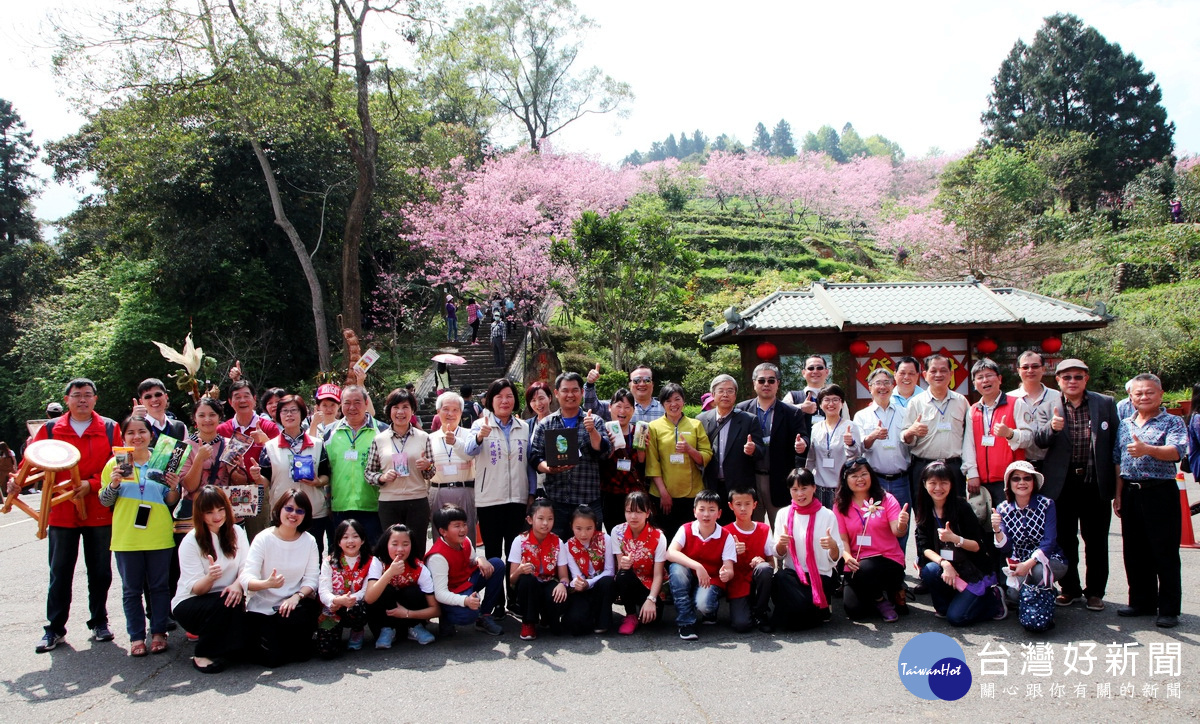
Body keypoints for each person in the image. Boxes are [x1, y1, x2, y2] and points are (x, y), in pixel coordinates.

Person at [20, 378, 122, 653]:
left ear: (95, 399)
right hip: (62, 510)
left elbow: (122, 468)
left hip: (98, 507)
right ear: (67, 400)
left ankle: (99, 621)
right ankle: (55, 629)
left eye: (88, 395)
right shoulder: (51, 429)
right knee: (60, 571)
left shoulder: (110, 428)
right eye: (76, 395)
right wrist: (16, 482)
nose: (82, 400)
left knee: (100, 570)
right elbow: (30, 462)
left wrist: (91, 483)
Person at [1034, 358, 1118, 611]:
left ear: (1086, 379)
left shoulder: (1104, 403)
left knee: (1096, 541)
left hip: (1094, 482)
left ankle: (1095, 592)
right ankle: (1069, 588)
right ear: (1058, 380)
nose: (1072, 382)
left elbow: (1115, 443)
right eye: (1067, 377)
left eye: (1078, 377)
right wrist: (1052, 428)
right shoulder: (1049, 404)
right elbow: (1038, 441)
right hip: (1062, 484)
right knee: (1066, 539)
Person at [99, 415, 181, 656]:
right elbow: (104, 501)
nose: (137, 437)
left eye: (142, 431)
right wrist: (113, 484)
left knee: (160, 586)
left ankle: (158, 633)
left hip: (159, 534)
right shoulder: (114, 463)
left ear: (150, 434)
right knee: (131, 589)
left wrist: (175, 487)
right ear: (123, 437)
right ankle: (136, 637)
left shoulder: (163, 460)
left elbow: (170, 502)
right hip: (127, 537)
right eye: (131, 433)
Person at [1113, 373, 1187, 628]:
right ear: (1131, 397)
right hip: (1131, 492)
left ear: (1160, 394)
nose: (1144, 397)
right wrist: (1119, 494)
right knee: (1134, 551)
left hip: (1160, 492)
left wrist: (1148, 449)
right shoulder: (1125, 423)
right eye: (1138, 393)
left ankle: (1168, 608)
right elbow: (1118, 460)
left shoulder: (1173, 422)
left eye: (1149, 392)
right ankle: (1141, 601)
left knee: (1164, 551)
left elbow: (1177, 452)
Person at [239, 489, 321, 667]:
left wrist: (296, 596)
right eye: (289, 508)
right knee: (273, 661)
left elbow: (312, 579)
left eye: (300, 511)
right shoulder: (263, 539)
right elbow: (246, 578)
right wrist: (266, 584)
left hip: (293, 607)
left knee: (302, 655)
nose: (293, 514)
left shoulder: (309, 541)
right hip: (263, 609)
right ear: (279, 509)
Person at [915, 461, 1003, 626]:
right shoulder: (925, 508)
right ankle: (952, 603)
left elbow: (977, 546)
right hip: (949, 568)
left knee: (957, 618)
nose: (938, 488)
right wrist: (944, 563)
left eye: (943, 483)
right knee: (930, 570)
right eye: (933, 483)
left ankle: (993, 600)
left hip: (971, 569)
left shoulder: (961, 507)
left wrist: (955, 539)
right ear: (924, 484)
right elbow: (924, 547)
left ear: (951, 484)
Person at [171, 485, 248, 673]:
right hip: (192, 602)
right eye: (210, 512)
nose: (217, 516)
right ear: (200, 514)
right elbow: (196, 589)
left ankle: (230, 649)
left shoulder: (237, 532)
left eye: (221, 510)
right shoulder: (191, 540)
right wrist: (210, 577)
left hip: (229, 595)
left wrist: (237, 585)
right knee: (226, 602)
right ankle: (202, 652)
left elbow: (247, 568)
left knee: (237, 600)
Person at [530, 372, 611, 538]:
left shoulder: (594, 421)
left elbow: (604, 452)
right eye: (565, 390)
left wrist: (592, 431)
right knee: (557, 551)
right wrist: (549, 468)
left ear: (582, 392)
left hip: (588, 500)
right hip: (556, 501)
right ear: (557, 393)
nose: (570, 395)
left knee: (592, 550)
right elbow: (534, 457)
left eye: (575, 390)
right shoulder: (547, 423)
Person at [990, 461, 1067, 631]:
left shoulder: (1046, 504)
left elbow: (1049, 542)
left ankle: (1042, 607)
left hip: (1051, 559)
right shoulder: (1003, 508)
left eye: (1027, 478)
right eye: (1016, 479)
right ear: (1009, 484)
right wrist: (996, 529)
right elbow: (1005, 547)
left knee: (1038, 571)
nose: (1022, 482)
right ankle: (1045, 595)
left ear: (1034, 482)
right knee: (1013, 594)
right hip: (1020, 561)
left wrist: (1028, 565)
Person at [466, 379, 535, 566]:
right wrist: (480, 436)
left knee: (515, 553)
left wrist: (531, 493)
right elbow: (469, 450)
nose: (504, 401)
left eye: (509, 396)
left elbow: (529, 463)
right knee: (493, 552)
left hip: (517, 500)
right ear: (490, 400)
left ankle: (513, 596)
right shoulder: (479, 425)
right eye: (499, 396)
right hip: (490, 500)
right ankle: (494, 595)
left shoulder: (524, 427)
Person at [253, 395, 331, 557]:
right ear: (278, 415)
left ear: (302, 414)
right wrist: (256, 477)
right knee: (282, 557)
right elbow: (265, 481)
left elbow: (326, 475)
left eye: (294, 410)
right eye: (284, 411)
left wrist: (317, 482)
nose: (289, 415)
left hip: (313, 512)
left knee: (313, 557)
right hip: (283, 512)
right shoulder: (270, 447)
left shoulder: (317, 444)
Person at [833, 458, 910, 622]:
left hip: (887, 559)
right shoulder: (840, 505)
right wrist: (847, 557)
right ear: (845, 480)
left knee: (866, 568)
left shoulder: (886, 499)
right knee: (854, 611)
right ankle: (885, 594)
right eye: (854, 476)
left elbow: (898, 531)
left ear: (871, 476)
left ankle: (881, 599)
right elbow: (842, 539)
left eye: (864, 474)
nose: (860, 479)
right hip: (856, 562)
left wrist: (902, 524)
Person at [735, 362, 810, 524]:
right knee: (752, 530)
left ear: (778, 383)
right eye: (761, 381)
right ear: (754, 383)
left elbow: (803, 436)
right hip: (751, 478)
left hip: (779, 479)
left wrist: (802, 444)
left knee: (782, 530)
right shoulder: (741, 410)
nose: (766, 384)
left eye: (771, 380)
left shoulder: (792, 412)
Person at [364, 388, 433, 560]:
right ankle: (393, 584)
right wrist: (381, 477)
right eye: (396, 407)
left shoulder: (424, 437)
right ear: (389, 410)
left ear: (412, 411)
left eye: (405, 407)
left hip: (417, 500)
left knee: (417, 548)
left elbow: (430, 473)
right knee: (391, 549)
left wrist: (427, 466)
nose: (400, 412)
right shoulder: (379, 439)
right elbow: (368, 472)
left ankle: (417, 584)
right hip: (389, 502)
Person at [852, 368, 912, 559]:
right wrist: (873, 436)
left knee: (901, 524)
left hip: (901, 479)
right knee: (873, 524)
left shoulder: (905, 412)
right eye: (878, 383)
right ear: (870, 388)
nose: (883, 387)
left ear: (893, 386)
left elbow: (913, 444)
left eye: (886, 382)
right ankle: (876, 565)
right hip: (874, 480)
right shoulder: (862, 416)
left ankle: (898, 567)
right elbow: (860, 448)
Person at [771, 469, 839, 630]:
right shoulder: (783, 514)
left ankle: (807, 610)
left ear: (814, 488)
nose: (800, 494)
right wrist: (781, 543)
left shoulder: (827, 515)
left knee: (796, 612)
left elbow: (835, 558)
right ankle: (809, 611)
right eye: (794, 489)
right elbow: (778, 553)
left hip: (820, 575)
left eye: (804, 488)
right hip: (794, 576)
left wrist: (833, 546)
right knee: (779, 578)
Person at [323, 385, 388, 547]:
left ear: (366, 403)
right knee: (342, 558)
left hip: (373, 506)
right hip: (340, 506)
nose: (352, 407)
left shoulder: (382, 431)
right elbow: (325, 470)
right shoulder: (329, 433)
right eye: (347, 402)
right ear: (341, 405)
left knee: (373, 556)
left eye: (357, 402)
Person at [645, 383, 712, 542]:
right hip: (663, 494)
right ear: (662, 404)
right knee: (665, 537)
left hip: (692, 492)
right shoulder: (654, 427)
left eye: (677, 399)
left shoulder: (695, 425)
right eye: (668, 401)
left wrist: (690, 450)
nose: (673, 404)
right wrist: (663, 493)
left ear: (683, 401)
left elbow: (707, 455)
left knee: (690, 538)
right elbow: (652, 462)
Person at [425, 504, 504, 637]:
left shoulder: (465, 540)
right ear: (443, 531)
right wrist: (465, 601)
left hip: (466, 583)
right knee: (468, 615)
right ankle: (446, 616)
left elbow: (472, 560)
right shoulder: (437, 557)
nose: (463, 529)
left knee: (496, 564)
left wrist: (481, 558)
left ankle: (484, 615)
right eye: (457, 526)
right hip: (450, 592)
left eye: (464, 524)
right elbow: (440, 593)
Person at [666, 490, 736, 641]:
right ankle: (686, 622)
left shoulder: (726, 536)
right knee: (676, 569)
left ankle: (709, 612)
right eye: (702, 509)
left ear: (719, 513)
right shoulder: (685, 529)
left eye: (711, 510)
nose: (706, 514)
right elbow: (670, 553)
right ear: (694, 512)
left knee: (704, 605)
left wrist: (727, 574)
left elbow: (729, 569)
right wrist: (697, 566)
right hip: (689, 575)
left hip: (711, 580)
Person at [698, 374, 765, 525]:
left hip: (739, 488)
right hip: (711, 485)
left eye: (730, 391)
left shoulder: (749, 420)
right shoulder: (701, 420)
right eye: (721, 391)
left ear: (735, 395)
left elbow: (761, 451)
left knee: (738, 528)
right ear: (713, 395)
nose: (725, 395)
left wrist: (753, 449)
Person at [218, 380, 280, 539]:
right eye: (237, 397)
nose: (242, 400)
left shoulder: (268, 427)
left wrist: (265, 441)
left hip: (258, 488)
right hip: (230, 488)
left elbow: (281, 458)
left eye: (246, 396)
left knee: (258, 537)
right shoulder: (223, 429)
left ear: (254, 399)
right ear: (230, 402)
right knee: (230, 537)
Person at [902, 354, 969, 499]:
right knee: (923, 513)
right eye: (933, 371)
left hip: (953, 466)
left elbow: (969, 437)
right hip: (923, 466)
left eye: (943, 370)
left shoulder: (961, 401)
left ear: (951, 374)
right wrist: (911, 431)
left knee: (956, 511)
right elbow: (905, 437)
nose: (938, 374)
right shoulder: (916, 402)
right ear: (925, 375)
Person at [364, 524, 439, 647]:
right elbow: (369, 598)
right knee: (384, 589)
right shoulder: (377, 562)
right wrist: (389, 573)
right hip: (384, 616)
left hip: (408, 615)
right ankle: (387, 629)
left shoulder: (419, 568)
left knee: (413, 591)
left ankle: (414, 627)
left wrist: (407, 613)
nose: (400, 549)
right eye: (394, 544)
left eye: (405, 544)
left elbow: (435, 610)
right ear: (386, 544)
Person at [962, 358, 1025, 505]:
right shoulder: (973, 410)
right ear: (974, 384)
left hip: (1010, 480)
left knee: (1008, 524)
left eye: (989, 375)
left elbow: (1029, 437)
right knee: (984, 524)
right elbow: (968, 444)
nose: (985, 380)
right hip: (981, 482)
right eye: (980, 377)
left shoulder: (1016, 403)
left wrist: (1010, 433)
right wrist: (972, 474)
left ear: (999, 379)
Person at [508, 499, 569, 640]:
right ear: (530, 519)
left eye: (550, 519)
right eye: (540, 518)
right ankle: (528, 623)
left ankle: (548, 617)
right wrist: (520, 570)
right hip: (529, 586)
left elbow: (564, 576)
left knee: (558, 594)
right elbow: (511, 579)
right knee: (527, 580)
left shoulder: (558, 542)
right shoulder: (520, 541)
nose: (545, 523)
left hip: (548, 582)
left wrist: (562, 584)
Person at [611, 491, 666, 636]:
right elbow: (619, 569)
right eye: (629, 511)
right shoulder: (617, 532)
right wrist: (624, 563)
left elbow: (659, 574)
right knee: (623, 575)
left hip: (649, 584)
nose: (633, 516)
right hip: (628, 581)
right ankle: (630, 615)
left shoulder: (659, 536)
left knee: (653, 621)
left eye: (639, 512)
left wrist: (651, 600)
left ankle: (644, 606)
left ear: (648, 513)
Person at [426, 391, 478, 544]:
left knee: (467, 538)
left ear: (461, 413)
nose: (450, 414)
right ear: (438, 412)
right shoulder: (429, 439)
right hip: (438, 491)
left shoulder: (470, 436)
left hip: (465, 490)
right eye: (446, 409)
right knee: (440, 539)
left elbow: (472, 456)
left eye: (455, 410)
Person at [315, 519, 371, 657]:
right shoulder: (329, 562)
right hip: (333, 607)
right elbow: (323, 590)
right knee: (326, 652)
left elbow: (366, 590)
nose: (350, 541)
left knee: (358, 607)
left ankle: (357, 630)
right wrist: (337, 600)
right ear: (338, 541)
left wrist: (349, 599)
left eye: (355, 536)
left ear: (362, 540)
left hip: (354, 606)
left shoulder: (370, 561)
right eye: (345, 537)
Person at [723, 487, 775, 633]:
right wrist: (732, 552)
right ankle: (747, 606)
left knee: (764, 568)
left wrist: (762, 561)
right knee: (742, 625)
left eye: (747, 504)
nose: (743, 508)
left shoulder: (764, 529)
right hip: (737, 582)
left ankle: (761, 612)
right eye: (738, 504)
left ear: (755, 505)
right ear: (730, 506)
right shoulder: (725, 531)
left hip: (757, 578)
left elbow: (772, 563)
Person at [804, 384, 862, 508]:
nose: (831, 403)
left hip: (842, 488)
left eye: (836, 399)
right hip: (819, 488)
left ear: (842, 403)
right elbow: (811, 459)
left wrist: (850, 443)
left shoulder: (850, 426)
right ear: (820, 404)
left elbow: (856, 457)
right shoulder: (815, 428)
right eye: (827, 400)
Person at [562, 505, 614, 635]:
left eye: (589, 528)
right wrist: (577, 583)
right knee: (575, 624)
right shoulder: (568, 546)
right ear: (571, 526)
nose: (583, 534)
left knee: (607, 582)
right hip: (582, 590)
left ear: (595, 525)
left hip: (600, 585)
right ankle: (589, 616)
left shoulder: (605, 540)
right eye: (578, 529)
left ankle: (603, 621)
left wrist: (589, 583)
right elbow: (576, 575)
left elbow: (609, 571)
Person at [599, 389, 647, 529]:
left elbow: (641, 463)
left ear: (633, 410)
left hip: (633, 494)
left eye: (627, 407)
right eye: (618, 406)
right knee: (613, 532)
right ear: (610, 407)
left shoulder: (639, 430)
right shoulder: (603, 431)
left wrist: (642, 449)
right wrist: (610, 447)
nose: (623, 411)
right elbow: (600, 461)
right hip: (610, 493)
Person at [1007, 350, 1062, 471]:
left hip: (1052, 462)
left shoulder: (1057, 397)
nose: (1030, 370)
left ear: (1043, 369)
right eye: (1025, 367)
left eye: (1035, 366)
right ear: (1018, 371)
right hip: (1019, 463)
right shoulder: (1009, 399)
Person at [583, 363, 666, 424]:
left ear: (653, 383)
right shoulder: (617, 406)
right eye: (637, 380)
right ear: (629, 384)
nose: (642, 384)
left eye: (647, 380)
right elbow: (592, 408)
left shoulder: (665, 409)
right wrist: (590, 384)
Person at [132, 378, 187, 444]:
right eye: (148, 397)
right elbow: (127, 451)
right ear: (141, 402)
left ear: (166, 397)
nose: (154, 399)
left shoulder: (180, 427)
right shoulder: (136, 428)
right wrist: (133, 421)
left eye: (158, 395)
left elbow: (189, 454)